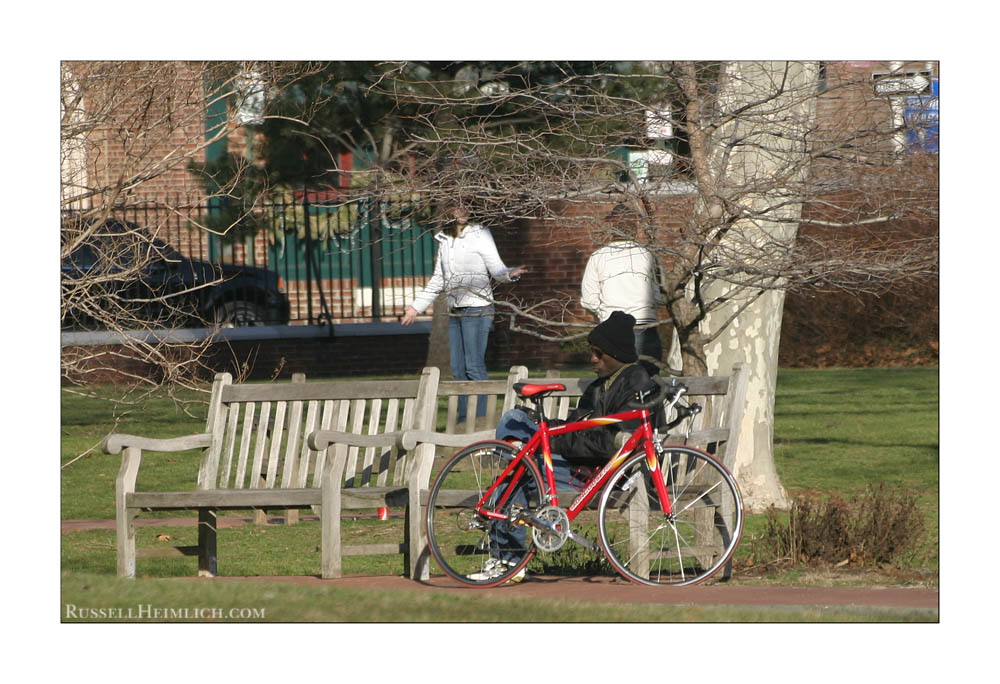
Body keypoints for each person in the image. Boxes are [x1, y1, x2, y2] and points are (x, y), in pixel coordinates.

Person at [474, 311, 653, 582]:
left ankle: (508, 560)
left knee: (515, 476)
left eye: (599, 353)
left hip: (598, 476)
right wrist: (545, 426)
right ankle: (513, 474)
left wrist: (553, 440)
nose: (593, 359)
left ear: (617, 353)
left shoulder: (636, 383)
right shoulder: (599, 386)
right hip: (577, 464)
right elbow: (577, 424)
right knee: (515, 420)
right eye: (592, 351)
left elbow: (610, 443)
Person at [401, 203, 527, 424]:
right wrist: (415, 307)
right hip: (456, 310)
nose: (462, 211)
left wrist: (511, 274)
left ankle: (480, 421)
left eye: (466, 206)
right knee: (458, 369)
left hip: (478, 308)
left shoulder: (480, 234)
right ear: (448, 210)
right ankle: (462, 422)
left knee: (473, 366)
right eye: (456, 207)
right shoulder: (445, 239)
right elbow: (439, 278)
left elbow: (497, 269)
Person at [580, 202, 664, 375]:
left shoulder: (599, 257)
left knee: (613, 384)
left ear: (611, 227)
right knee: (649, 382)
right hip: (643, 324)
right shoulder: (646, 255)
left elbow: (589, 299)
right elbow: (658, 295)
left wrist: (605, 312)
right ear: (635, 226)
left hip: (611, 328)